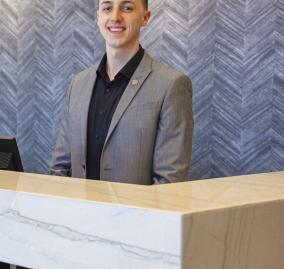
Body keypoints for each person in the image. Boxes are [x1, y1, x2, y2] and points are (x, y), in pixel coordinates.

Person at [49, 0, 194, 185]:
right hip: (77, 212)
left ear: (145, 17)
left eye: (127, 8)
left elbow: (169, 183)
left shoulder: (172, 85)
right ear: (98, 17)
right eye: (107, 8)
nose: (115, 17)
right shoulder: (78, 84)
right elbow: (60, 169)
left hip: (137, 213)